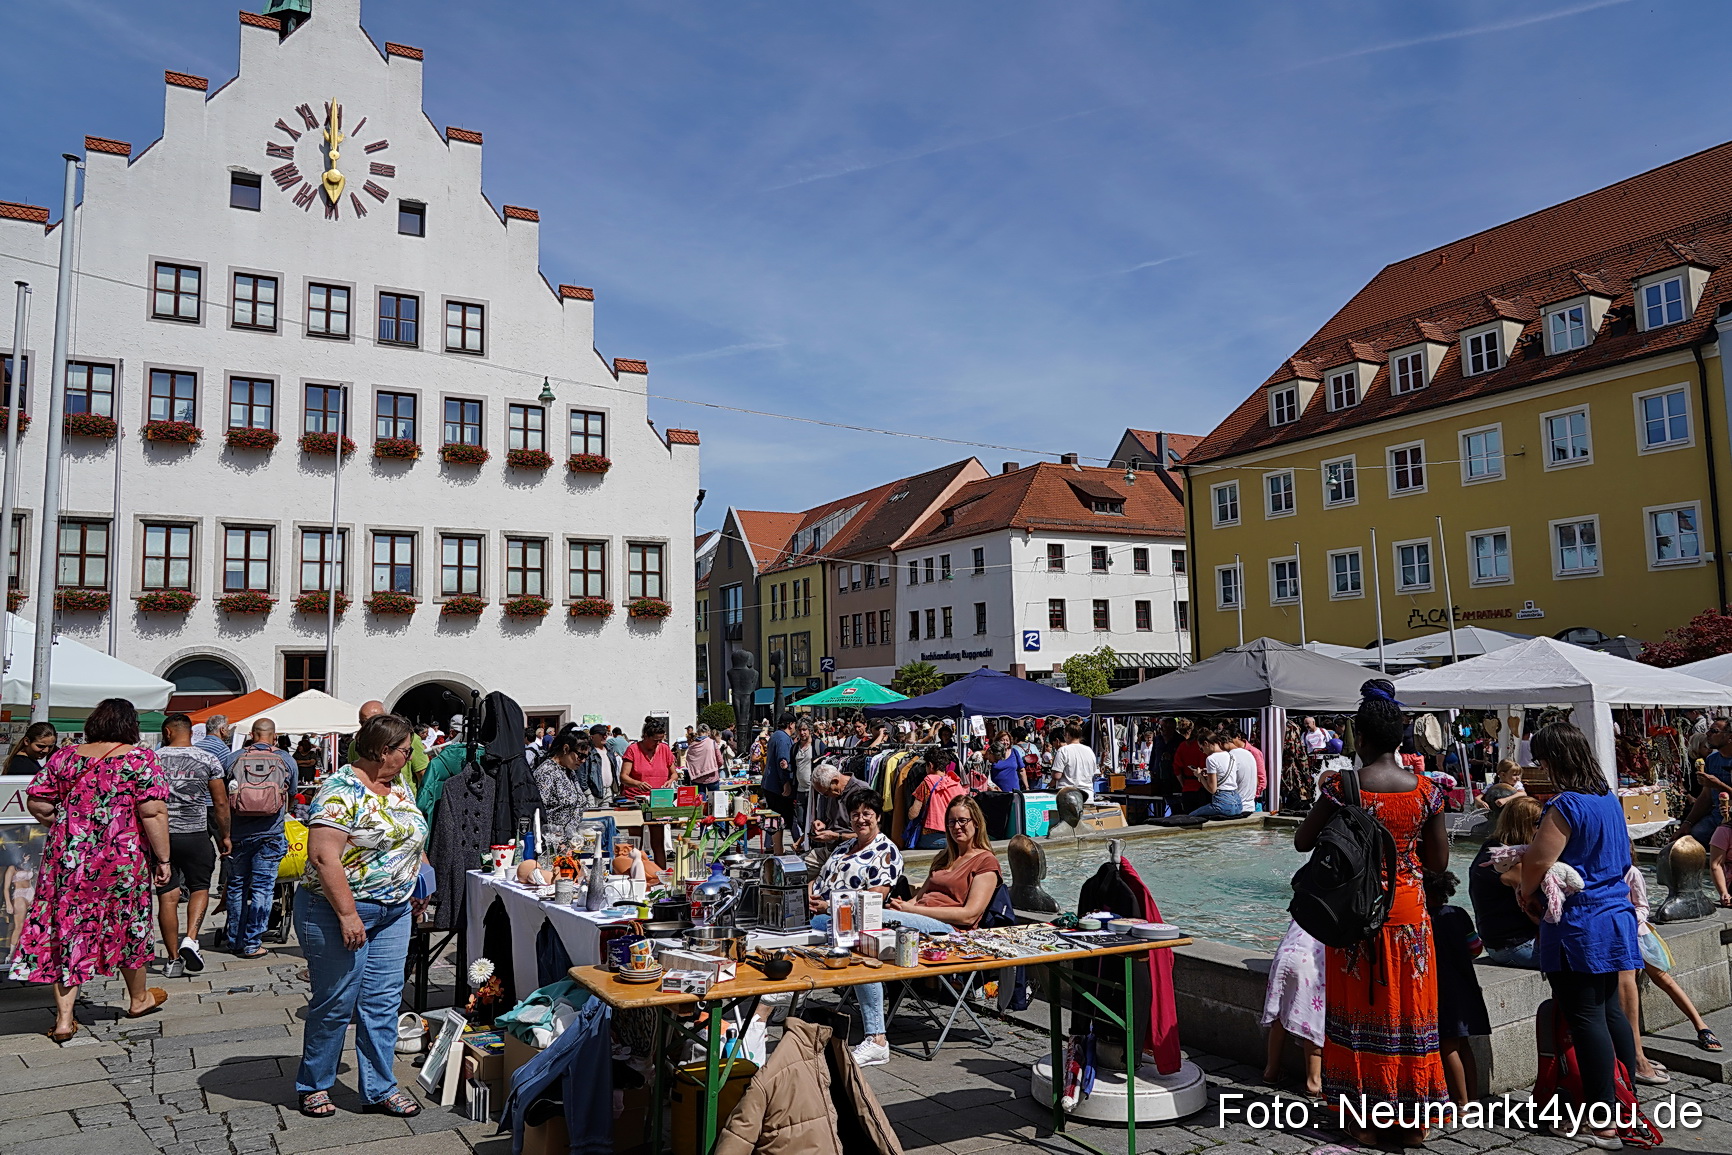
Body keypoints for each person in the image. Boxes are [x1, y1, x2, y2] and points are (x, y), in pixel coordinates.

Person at [1294, 680, 1448, 1147]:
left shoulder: (1344, 787)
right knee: (1410, 1014)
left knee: (1359, 1015)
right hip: (1410, 916)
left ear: (1359, 738)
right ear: (1401, 739)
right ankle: (1413, 1123)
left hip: (1358, 917)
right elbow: (1439, 863)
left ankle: (1361, 1120)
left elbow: (1304, 841)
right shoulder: (1429, 792)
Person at [8, 698, 174, 1040]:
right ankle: (138, 999)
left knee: (66, 927)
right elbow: (152, 813)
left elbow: (38, 800)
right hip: (122, 860)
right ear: (129, 726)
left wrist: (67, 825)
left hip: (69, 861)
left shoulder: (64, 757)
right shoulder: (140, 758)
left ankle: (65, 1019)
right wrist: (164, 859)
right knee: (128, 922)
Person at [294, 712, 428, 1120]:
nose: (410, 758)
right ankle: (314, 1084)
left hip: (394, 912)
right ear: (383, 750)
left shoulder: (397, 786)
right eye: (405, 751)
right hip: (337, 911)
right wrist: (349, 914)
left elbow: (410, 836)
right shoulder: (341, 788)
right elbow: (322, 855)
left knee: (383, 1002)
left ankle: (379, 1087)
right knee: (336, 1001)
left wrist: (419, 880)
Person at [1518, 722, 1642, 1149]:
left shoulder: (1566, 805)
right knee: (1609, 1012)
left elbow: (1537, 861)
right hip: (1615, 915)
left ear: (1553, 761)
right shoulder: (1607, 798)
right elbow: (1623, 854)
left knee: (1586, 1018)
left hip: (1580, 925)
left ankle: (1603, 1120)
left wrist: (1525, 891)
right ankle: (1628, 1101)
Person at [850, 796, 1002, 1068]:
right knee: (860, 930)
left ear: (976, 823)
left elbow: (969, 914)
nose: (957, 827)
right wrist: (905, 906)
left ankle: (876, 1039)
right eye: (952, 821)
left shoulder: (985, 862)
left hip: (951, 934)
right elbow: (922, 898)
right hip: (918, 923)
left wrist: (912, 911)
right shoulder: (945, 858)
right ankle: (874, 1034)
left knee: (866, 919)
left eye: (963, 820)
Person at [1621, 846, 1720, 1087]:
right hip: (1619, 940)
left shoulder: (1632, 872)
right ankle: (1633, 1050)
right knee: (1626, 987)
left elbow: (1643, 907)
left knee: (1664, 979)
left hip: (1637, 936)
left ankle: (1701, 1025)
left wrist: (1625, 920)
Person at [154, 712, 229, 976]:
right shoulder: (208, 759)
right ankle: (191, 938)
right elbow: (220, 802)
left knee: (168, 894)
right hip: (196, 833)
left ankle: (173, 959)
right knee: (200, 887)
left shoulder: (153, 759)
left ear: (167, 732)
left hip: (161, 837)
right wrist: (225, 835)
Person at [220, 719, 294, 960]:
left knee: (237, 885)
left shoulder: (233, 759)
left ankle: (235, 940)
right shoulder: (285, 759)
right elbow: (291, 796)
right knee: (263, 886)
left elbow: (222, 798)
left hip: (238, 834)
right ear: (274, 736)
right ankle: (253, 943)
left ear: (252, 735)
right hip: (271, 833)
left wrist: (224, 833)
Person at [1425, 869, 1490, 1107]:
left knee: (1448, 1046)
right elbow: (1475, 948)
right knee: (1463, 1045)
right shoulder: (1459, 913)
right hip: (1465, 985)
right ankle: (1472, 1098)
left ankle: (1461, 1103)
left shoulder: (1424, 919)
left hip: (1441, 990)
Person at [1469, 797, 1543, 968]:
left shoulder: (1493, 848)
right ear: (1525, 825)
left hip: (1498, 944)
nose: (1544, 830)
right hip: (1516, 946)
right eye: (1539, 824)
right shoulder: (1512, 865)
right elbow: (1537, 914)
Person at [806, 790, 901, 914]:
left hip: (844, 918)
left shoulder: (886, 853)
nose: (861, 820)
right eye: (855, 815)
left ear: (878, 817)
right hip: (814, 909)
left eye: (867, 814)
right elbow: (820, 880)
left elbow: (874, 898)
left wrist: (828, 907)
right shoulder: (844, 846)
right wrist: (807, 895)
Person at [1260, 919, 1324, 1098]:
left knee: (1280, 1013)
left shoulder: (1306, 901)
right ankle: (1314, 1082)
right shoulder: (1339, 903)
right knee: (1312, 1017)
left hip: (1284, 957)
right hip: (1311, 962)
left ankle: (1271, 1071)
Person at [531, 728, 597, 849]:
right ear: (566, 749)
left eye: (586, 757)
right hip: (554, 846)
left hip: (571, 844)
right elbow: (538, 813)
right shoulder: (547, 772)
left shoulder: (569, 771)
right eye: (580, 756)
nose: (583, 761)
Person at [349, 700, 429, 797]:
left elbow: (423, 774)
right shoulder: (355, 745)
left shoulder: (409, 739)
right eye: (365, 723)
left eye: (377, 722)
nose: (371, 728)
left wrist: (423, 805)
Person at [908, 748, 965, 850]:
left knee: (911, 841)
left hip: (933, 838)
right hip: (955, 836)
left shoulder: (927, 783)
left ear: (930, 765)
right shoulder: (956, 782)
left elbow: (913, 814)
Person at [808, 764, 870, 856]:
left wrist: (836, 836)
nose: (826, 796)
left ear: (835, 781)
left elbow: (868, 834)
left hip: (853, 851)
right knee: (805, 861)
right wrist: (823, 824)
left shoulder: (861, 791)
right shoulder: (834, 790)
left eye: (826, 793)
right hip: (833, 848)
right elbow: (834, 819)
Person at [1191, 731, 1251, 820]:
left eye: (1201, 748)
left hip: (1223, 803)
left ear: (1206, 743)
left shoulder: (1211, 759)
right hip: (1238, 804)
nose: (1202, 752)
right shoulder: (1231, 756)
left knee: (1191, 816)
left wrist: (1200, 777)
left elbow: (1212, 789)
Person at [758, 714, 798, 840]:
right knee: (786, 817)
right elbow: (783, 762)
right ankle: (797, 844)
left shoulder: (775, 735)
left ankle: (771, 845)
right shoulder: (783, 739)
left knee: (774, 818)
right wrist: (786, 782)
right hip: (777, 785)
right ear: (791, 724)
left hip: (770, 783)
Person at [619, 716, 676, 800]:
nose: (658, 743)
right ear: (646, 736)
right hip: (636, 799)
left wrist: (670, 781)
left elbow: (674, 774)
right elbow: (623, 777)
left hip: (660, 798)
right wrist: (638, 784)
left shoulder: (665, 749)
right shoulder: (633, 750)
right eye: (655, 740)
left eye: (660, 740)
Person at [1049, 722, 1098, 802]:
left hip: (1068, 795)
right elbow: (1093, 771)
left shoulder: (1063, 750)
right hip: (1087, 794)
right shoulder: (1089, 750)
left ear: (1067, 735)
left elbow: (1057, 775)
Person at [1172, 718, 1207, 813]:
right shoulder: (1204, 747)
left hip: (1188, 788)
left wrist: (1183, 784)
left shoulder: (1183, 746)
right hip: (1202, 788)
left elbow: (1176, 768)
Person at [792, 720, 821, 834]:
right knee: (801, 820)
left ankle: (812, 844)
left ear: (810, 731)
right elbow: (792, 766)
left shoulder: (817, 745)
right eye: (800, 730)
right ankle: (807, 841)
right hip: (800, 789)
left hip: (813, 790)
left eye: (805, 730)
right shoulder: (795, 747)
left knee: (814, 820)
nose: (802, 733)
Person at [577, 723, 619, 802]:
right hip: (593, 794)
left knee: (608, 814)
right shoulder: (587, 752)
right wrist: (587, 793)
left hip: (608, 792)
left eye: (606, 734)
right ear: (592, 737)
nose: (605, 736)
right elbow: (581, 774)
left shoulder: (610, 751)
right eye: (601, 734)